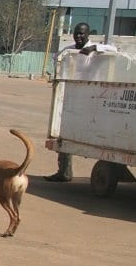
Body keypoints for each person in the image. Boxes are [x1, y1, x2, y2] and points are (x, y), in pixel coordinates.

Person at [44, 22, 118, 182]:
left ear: (88, 34)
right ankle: (63, 171)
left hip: (93, 96)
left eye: (82, 34)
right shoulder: (70, 49)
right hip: (72, 96)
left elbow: (114, 50)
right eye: (76, 33)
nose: (78, 36)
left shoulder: (97, 49)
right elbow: (57, 57)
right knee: (65, 132)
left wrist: (95, 49)